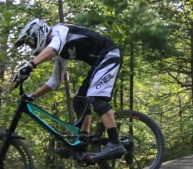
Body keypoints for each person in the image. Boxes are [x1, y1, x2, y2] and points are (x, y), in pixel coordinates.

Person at [14, 18, 126, 161]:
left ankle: (115, 143)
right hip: (99, 62)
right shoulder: (60, 53)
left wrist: (30, 66)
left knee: (96, 98)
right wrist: (33, 96)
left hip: (109, 54)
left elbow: (53, 48)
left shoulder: (59, 31)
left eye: (30, 42)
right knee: (79, 100)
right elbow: (55, 82)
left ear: (38, 33)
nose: (32, 46)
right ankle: (82, 142)